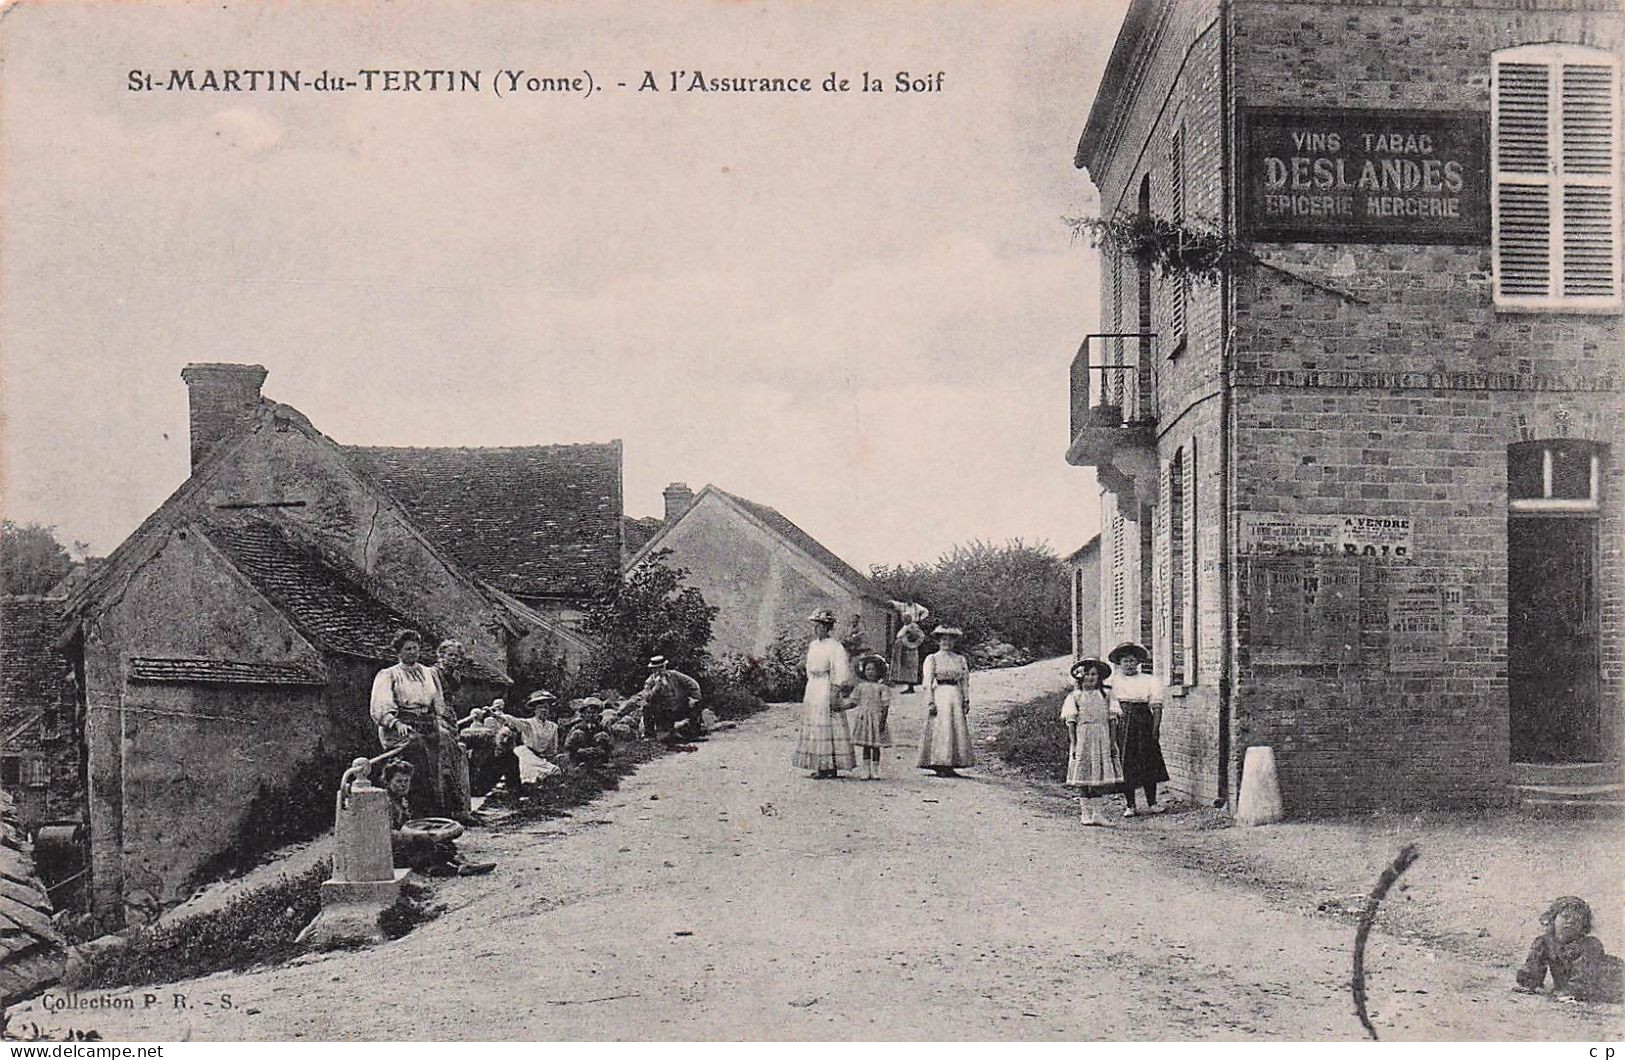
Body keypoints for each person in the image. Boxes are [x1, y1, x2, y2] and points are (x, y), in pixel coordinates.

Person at [369, 629, 450, 819]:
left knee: (437, 763)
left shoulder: (429, 673)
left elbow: (437, 701)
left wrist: (439, 719)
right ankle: (413, 816)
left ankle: (437, 815)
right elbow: (381, 704)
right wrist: (395, 723)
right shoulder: (389, 674)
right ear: (399, 652)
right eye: (408, 649)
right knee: (416, 758)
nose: (412, 652)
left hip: (426, 722)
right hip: (402, 725)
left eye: (415, 648)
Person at [381, 759, 495, 877]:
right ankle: (453, 868)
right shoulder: (386, 803)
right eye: (398, 781)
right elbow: (387, 834)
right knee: (433, 849)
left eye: (406, 781)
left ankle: (463, 863)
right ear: (388, 782)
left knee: (444, 844)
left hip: (405, 844)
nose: (403, 785)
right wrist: (416, 836)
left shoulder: (402, 800)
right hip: (394, 851)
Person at [1516, 896, 1625, 1003]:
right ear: (1553, 919)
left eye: (1577, 919)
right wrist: (1529, 984)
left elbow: (1584, 977)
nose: (1570, 922)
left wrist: (1570, 992)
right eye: (1565, 916)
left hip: (1612, 982)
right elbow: (1532, 968)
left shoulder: (1590, 945)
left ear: (1584, 926)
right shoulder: (1544, 942)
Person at [792, 608, 856, 778]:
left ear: (828, 627)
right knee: (814, 722)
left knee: (827, 721)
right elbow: (809, 667)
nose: (817, 629)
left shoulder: (835, 647)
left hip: (826, 685)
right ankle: (820, 764)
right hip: (813, 685)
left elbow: (840, 670)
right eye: (816, 625)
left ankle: (830, 766)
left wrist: (835, 689)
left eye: (821, 626)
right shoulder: (813, 645)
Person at [1107, 642, 1168, 818]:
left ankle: (1152, 802)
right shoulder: (1113, 682)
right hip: (1123, 722)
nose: (1129, 664)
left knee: (1148, 760)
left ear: (1138, 662)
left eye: (1132, 661)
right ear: (1119, 663)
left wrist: (1155, 729)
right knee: (1127, 762)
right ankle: (1130, 805)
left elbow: (1156, 706)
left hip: (1143, 721)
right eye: (1125, 661)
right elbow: (1110, 706)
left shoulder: (1149, 680)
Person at [1061, 658, 1122, 825]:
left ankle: (1098, 814)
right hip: (1083, 737)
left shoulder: (1107, 694)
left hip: (1101, 735)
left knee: (1098, 774)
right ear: (1080, 677)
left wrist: (1112, 742)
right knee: (1082, 773)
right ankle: (1085, 813)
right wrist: (1074, 743)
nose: (1090, 678)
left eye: (1094, 674)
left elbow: (1112, 721)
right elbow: (1071, 722)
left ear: (1099, 677)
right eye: (1086, 674)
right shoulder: (1075, 696)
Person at [916, 625, 975, 777]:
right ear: (938, 641)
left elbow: (964, 682)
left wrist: (966, 700)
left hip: (955, 694)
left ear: (954, 641)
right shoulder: (933, 658)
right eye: (943, 639)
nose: (946, 642)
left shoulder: (960, 659)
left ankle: (952, 763)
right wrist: (930, 701)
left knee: (955, 727)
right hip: (940, 694)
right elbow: (927, 682)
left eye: (950, 639)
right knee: (942, 727)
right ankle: (939, 763)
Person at [431, 639, 475, 821]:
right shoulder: (433, 673)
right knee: (444, 760)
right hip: (437, 713)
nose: (454, 659)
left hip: (450, 714)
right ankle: (447, 808)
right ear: (441, 656)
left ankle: (459, 808)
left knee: (456, 756)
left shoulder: (455, 675)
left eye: (457, 656)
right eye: (450, 655)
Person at [844, 654, 894, 780]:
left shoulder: (882, 687)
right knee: (866, 745)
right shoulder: (860, 687)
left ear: (879, 672)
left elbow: (885, 705)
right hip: (865, 719)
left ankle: (875, 769)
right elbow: (853, 702)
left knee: (876, 746)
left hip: (876, 718)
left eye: (873, 669)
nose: (870, 672)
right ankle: (866, 769)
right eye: (868, 669)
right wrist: (841, 708)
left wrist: (883, 720)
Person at [635, 656, 706, 743]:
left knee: (696, 703)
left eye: (661, 667)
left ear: (665, 667)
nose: (660, 670)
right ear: (652, 670)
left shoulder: (674, 675)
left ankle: (693, 733)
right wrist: (656, 688)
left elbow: (693, 684)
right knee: (646, 707)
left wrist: (694, 698)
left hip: (679, 707)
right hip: (663, 713)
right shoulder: (650, 681)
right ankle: (650, 736)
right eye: (656, 669)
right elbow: (646, 698)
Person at [563, 699, 616, 765]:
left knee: (602, 735)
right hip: (581, 752)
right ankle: (577, 763)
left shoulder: (603, 726)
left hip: (597, 752)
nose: (591, 715)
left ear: (598, 714)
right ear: (584, 714)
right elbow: (568, 744)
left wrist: (600, 748)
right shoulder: (577, 726)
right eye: (588, 713)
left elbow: (611, 743)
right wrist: (578, 749)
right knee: (578, 733)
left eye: (594, 713)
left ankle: (603, 762)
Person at [890, 618, 926, 693]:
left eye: (906, 618)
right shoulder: (905, 626)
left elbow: (920, 636)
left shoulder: (913, 627)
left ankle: (911, 687)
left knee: (911, 668)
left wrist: (912, 643)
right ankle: (908, 686)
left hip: (910, 650)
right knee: (905, 668)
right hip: (903, 650)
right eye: (904, 618)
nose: (904, 620)